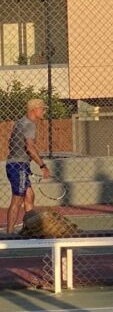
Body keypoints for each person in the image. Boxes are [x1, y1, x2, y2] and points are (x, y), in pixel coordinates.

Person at [5, 99, 49, 234]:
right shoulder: (29, 124)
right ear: (34, 109)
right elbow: (29, 148)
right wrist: (42, 165)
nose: (44, 111)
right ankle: (10, 233)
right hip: (18, 166)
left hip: (18, 164)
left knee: (29, 196)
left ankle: (28, 228)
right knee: (17, 199)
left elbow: (12, 144)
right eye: (42, 108)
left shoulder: (20, 122)